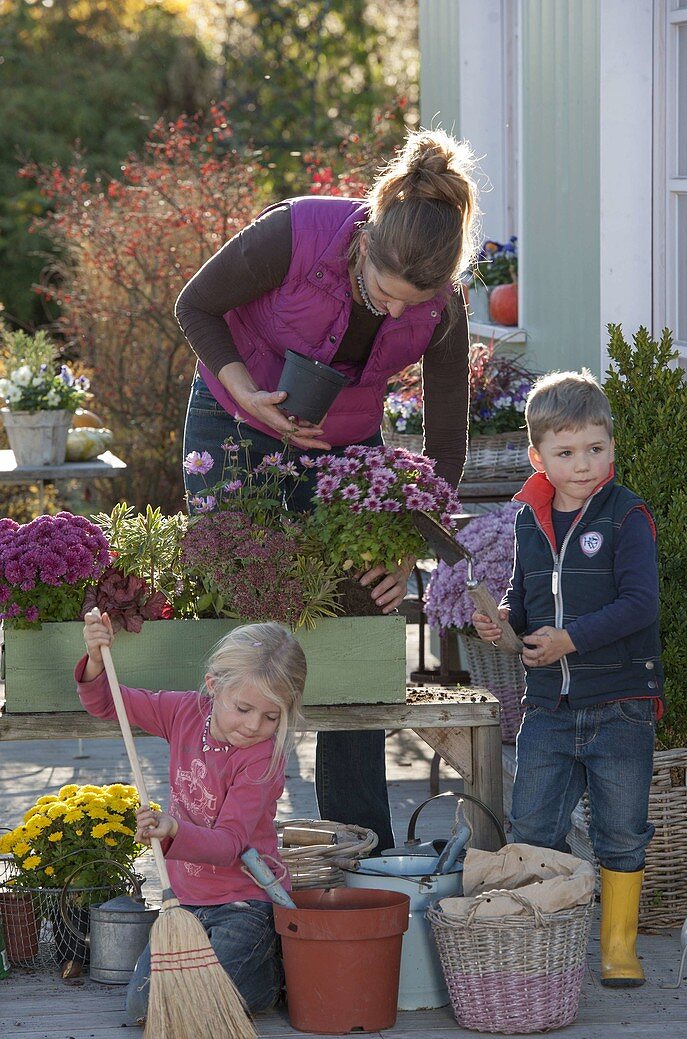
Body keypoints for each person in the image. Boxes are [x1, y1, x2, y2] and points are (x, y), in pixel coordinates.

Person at [175, 127, 480, 852]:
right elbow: (196, 306)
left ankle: (358, 850)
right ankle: (220, 841)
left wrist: (408, 544)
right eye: (384, 293)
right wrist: (247, 394)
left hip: (345, 448)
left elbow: (445, 443)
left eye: (415, 304)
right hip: (235, 418)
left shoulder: (440, 305)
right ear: (365, 241)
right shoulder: (299, 232)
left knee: (358, 628)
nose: (397, 314)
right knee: (241, 627)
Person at [473, 369, 664, 988]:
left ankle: (617, 949)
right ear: (538, 457)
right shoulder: (530, 519)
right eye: (566, 452)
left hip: (620, 704)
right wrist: (501, 619)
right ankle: (538, 936)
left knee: (620, 831)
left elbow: (641, 605)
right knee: (532, 826)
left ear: (611, 445)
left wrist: (569, 640)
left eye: (596, 448)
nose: (583, 464)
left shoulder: (626, 515)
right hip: (549, 709)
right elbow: (526, 598)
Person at [76, 614, 307, 1022]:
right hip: (182, 904)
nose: (254, 725)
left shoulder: (261, 759)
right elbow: (107, 701)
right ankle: (246, 971)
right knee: (144, 1008)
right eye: (243, 708)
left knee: (201, 1000)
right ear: (214, 686)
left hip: (245, 903)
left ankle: (270, 970)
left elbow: (230, 844)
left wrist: (174, 830)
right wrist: (96, 658)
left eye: (272, 717)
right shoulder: (184, 712)